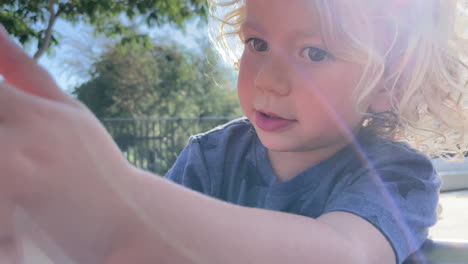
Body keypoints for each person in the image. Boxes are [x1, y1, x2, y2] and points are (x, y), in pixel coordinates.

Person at [0, 0, 466, 263]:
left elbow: (345, 254)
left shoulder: (397, 175)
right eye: (257, 43)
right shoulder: (211, 155)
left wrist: (125, 204)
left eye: (314, 53)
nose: (266, 79)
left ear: (388, 84)